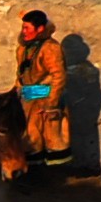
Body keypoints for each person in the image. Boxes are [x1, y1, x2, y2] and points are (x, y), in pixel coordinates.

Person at [15, 10, 71, 168]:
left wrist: (51, 105)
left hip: (45, 101)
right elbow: (21, 74)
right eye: (23, 27)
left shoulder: (50, 48)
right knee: (29, 139)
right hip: (27, 100)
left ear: (39, 29)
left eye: (27, 28)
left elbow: (58, 76)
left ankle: (51, 178)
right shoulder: (23, 48)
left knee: (49, 139)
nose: (23, 31)